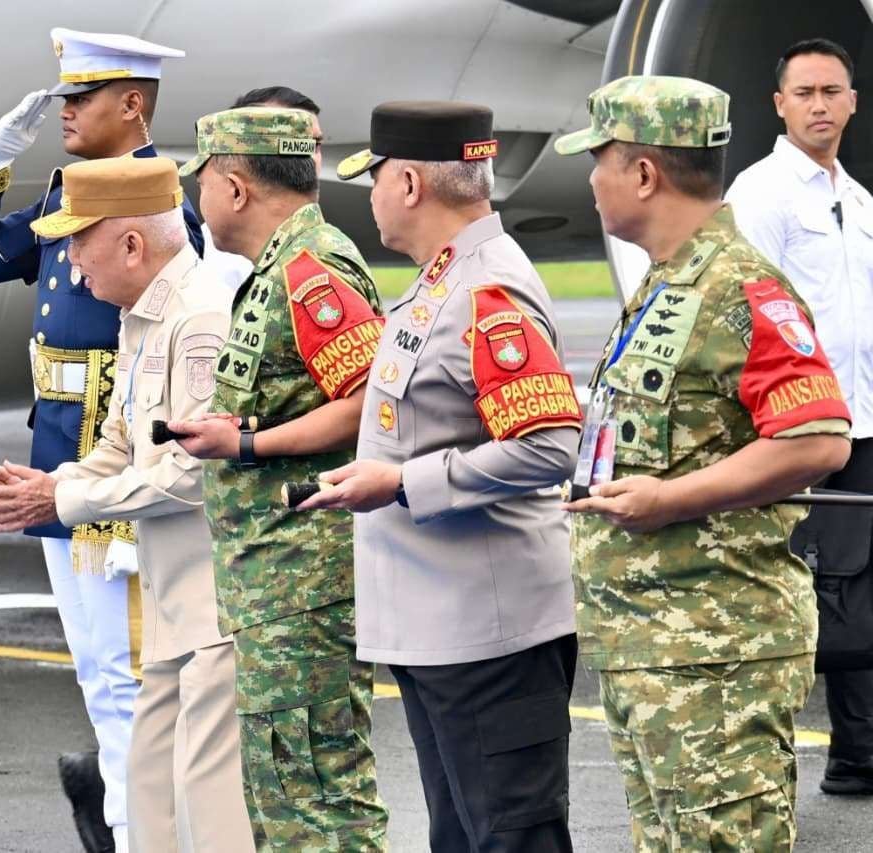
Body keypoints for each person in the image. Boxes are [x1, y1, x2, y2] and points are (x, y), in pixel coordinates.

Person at [558, 76, 853, 850]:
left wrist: (672, 498)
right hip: (651, 645)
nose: (591, 180)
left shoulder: (739, 286)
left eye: (601, 160)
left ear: (645, 173)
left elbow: (819, 438)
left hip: (715, 652)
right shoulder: (669, 282)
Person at [0, 27, 203, 851]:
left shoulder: (156, 207)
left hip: (119, 477)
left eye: (80, 98)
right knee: (100, 675)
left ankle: (140, 830)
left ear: (133, 105)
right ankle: (132, 825)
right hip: (63, 469)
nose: (64, 112)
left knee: (131, 677)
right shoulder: (70, 194)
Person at [302, 100, 581, 852]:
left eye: (377, 178)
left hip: (489, 636)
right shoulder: (442, 278)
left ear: (411, 183)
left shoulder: (487, 288)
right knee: (461, 837)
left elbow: (550, 445)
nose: (372, 194)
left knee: (512, 838)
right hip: (440, 628)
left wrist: (399, 484)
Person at [0, 156, 255, 853]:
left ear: (131, 243)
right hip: (168, 599)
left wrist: (61, 497)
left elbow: (188, 472)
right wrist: (46, 488)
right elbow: (123, 441)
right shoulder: (142, 315)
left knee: (210, 808)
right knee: (147, 788)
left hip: (212, 606)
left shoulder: (200, 317)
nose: (71, 265)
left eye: (78, 244)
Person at [169, 106, 390, 850]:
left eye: (200, 181)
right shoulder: (281, 268)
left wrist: (250, 443)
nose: (196, 198)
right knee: (283, 793)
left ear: (234, 188)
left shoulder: (311, 272)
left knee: (319, 794)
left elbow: (369, 400)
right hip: (275, 580)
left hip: (304, 579)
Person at [726, 37, 873, 796]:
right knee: (808, 593)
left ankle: (860, 755)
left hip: (865, 422)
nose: (820, 104)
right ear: (779, 104)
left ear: (853, 101)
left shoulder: (859, 200)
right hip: (800, 428)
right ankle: (765, 766)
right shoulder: (761, 195)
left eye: (833, 91)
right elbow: (747, 314)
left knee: (861, 595)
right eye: (805, 92)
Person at [200, 86, 325, 294]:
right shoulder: (218, 252)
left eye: (315, 144)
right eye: (286, 143)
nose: (306, 158)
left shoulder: (320, 245)